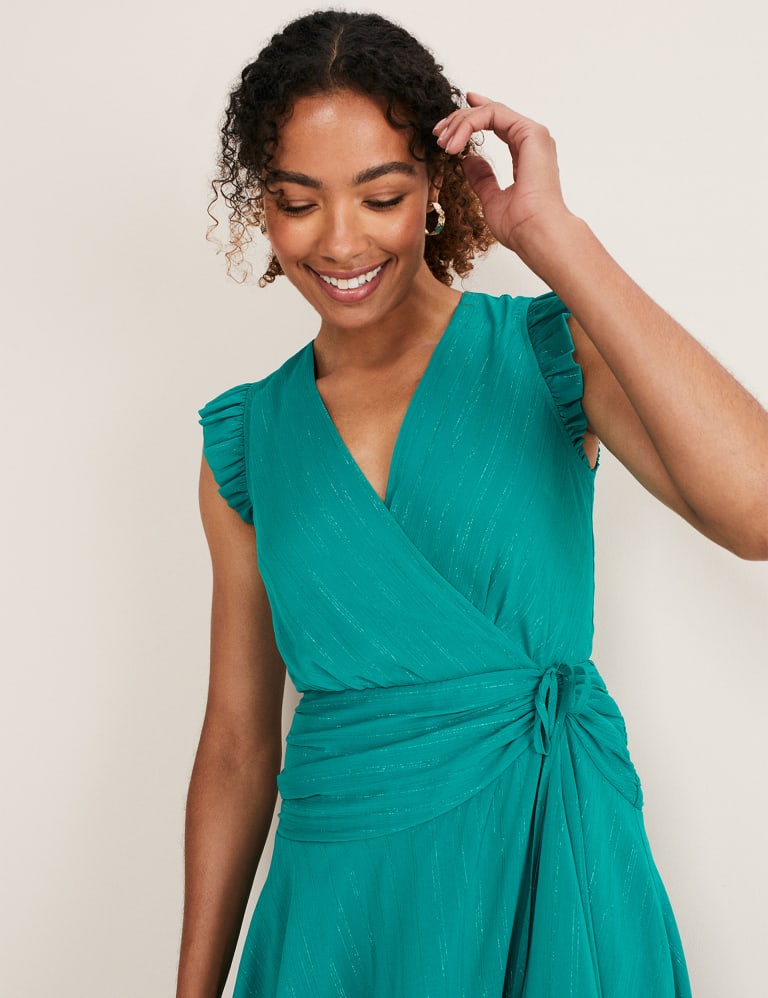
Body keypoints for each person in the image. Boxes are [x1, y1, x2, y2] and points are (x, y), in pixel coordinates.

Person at [177, 10, 768, 997]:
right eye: (297, 201)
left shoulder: (548, 354)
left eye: (381, 195)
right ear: (260, 207)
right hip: (342, 913)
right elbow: (237, 745)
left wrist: (554, 238)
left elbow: (757, 511)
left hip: (551, 872)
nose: (341, 239)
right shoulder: (246, 444)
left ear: (436, 189)